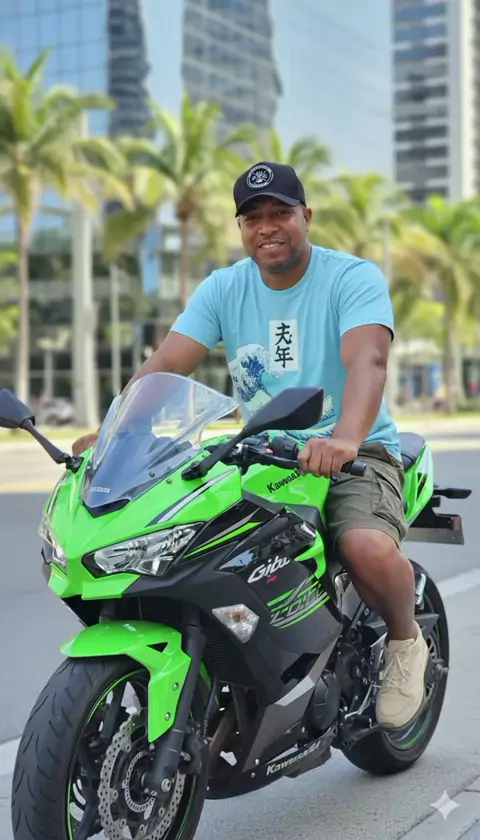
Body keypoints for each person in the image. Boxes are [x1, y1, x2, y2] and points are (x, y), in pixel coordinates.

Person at [73, 161, 429, 731]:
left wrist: (345, 438)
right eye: (253, 217)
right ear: (240, 227)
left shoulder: (351, 278)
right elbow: (168, 362)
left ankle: (405, 642)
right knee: (194, 544)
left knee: (363, 544)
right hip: (258, 453)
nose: (268, 227)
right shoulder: (224, 287)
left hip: (355, 452)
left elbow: (368, 360)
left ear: (306, 216)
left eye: (280, 213)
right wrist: (118, 427)